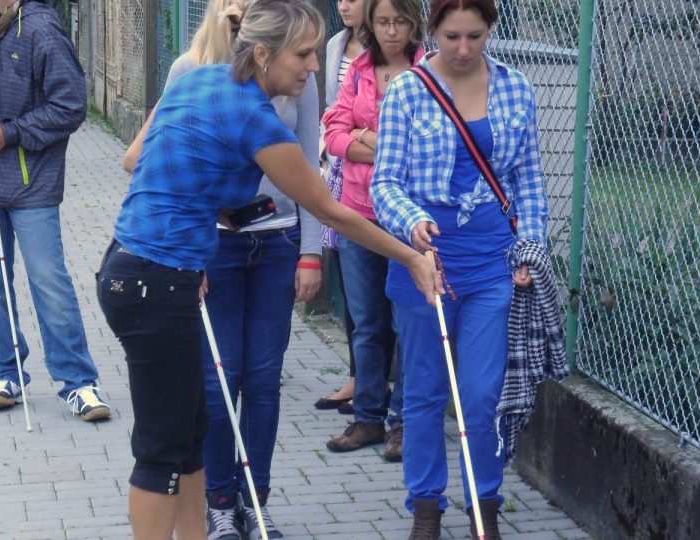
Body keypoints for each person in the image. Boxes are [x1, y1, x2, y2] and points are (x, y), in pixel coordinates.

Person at [96, 1, 443, 538]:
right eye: (303, 54)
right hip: (153, 282)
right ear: (262, 53)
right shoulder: (253, 116)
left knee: (190, 439)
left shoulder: (199, 81)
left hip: (140, 268)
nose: (314, 66)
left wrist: (202, 211)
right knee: (162, 451)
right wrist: (412, 258)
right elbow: (331, 211)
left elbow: (150, 162)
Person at [123, 0, 321, 537]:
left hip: (273, 242)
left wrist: (311, 250)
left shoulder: (292, 74)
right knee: (215, 384)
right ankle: (218, 502)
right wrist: (196, 249)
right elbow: (141, 161)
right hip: (203, 255)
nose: (313, 64)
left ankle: (255, 500)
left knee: (260, 380)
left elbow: (312, 168)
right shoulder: (191, 72)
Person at [370, 0, 550, 537]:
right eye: (452, 37)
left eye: (476, 36)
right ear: (432, 30)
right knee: (424, 390)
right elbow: (384, 184)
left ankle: (484, 502)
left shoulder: (517, 86)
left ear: (491, 30)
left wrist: (529, 248)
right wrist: (413, 222)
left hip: (493, 262)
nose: (464, 49)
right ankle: (426, 507)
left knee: (481, 391)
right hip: (425, 264)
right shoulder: (407, 90)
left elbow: (530, 183)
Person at [0, 0, 110, 421]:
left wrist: (13, 132)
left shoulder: (41, 29)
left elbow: (71, 105)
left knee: (47, 279)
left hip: (29, 181)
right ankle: (8, 372)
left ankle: (79, 382)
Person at [321, 0, 426, 462]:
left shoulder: (428, 72)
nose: (390, 31)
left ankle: (402, 422)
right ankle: (367, 417)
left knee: (406, 322)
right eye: (382, 22)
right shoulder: (359, 68)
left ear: (414, 22)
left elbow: (423, 144)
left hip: (406, 218)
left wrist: (366, 136)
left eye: (399, 22)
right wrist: (376, 142)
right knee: (366, 322)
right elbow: (333, 133)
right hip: (358, 213)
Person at [312, 0, 366, 416]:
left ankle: (377, 385)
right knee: (352, 282)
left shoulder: (407, 53)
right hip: (341, 176)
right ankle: (358, 377)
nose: (344, 4)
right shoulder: (334, 45)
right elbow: (334, 119)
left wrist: (355, 136)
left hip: (379, 180)